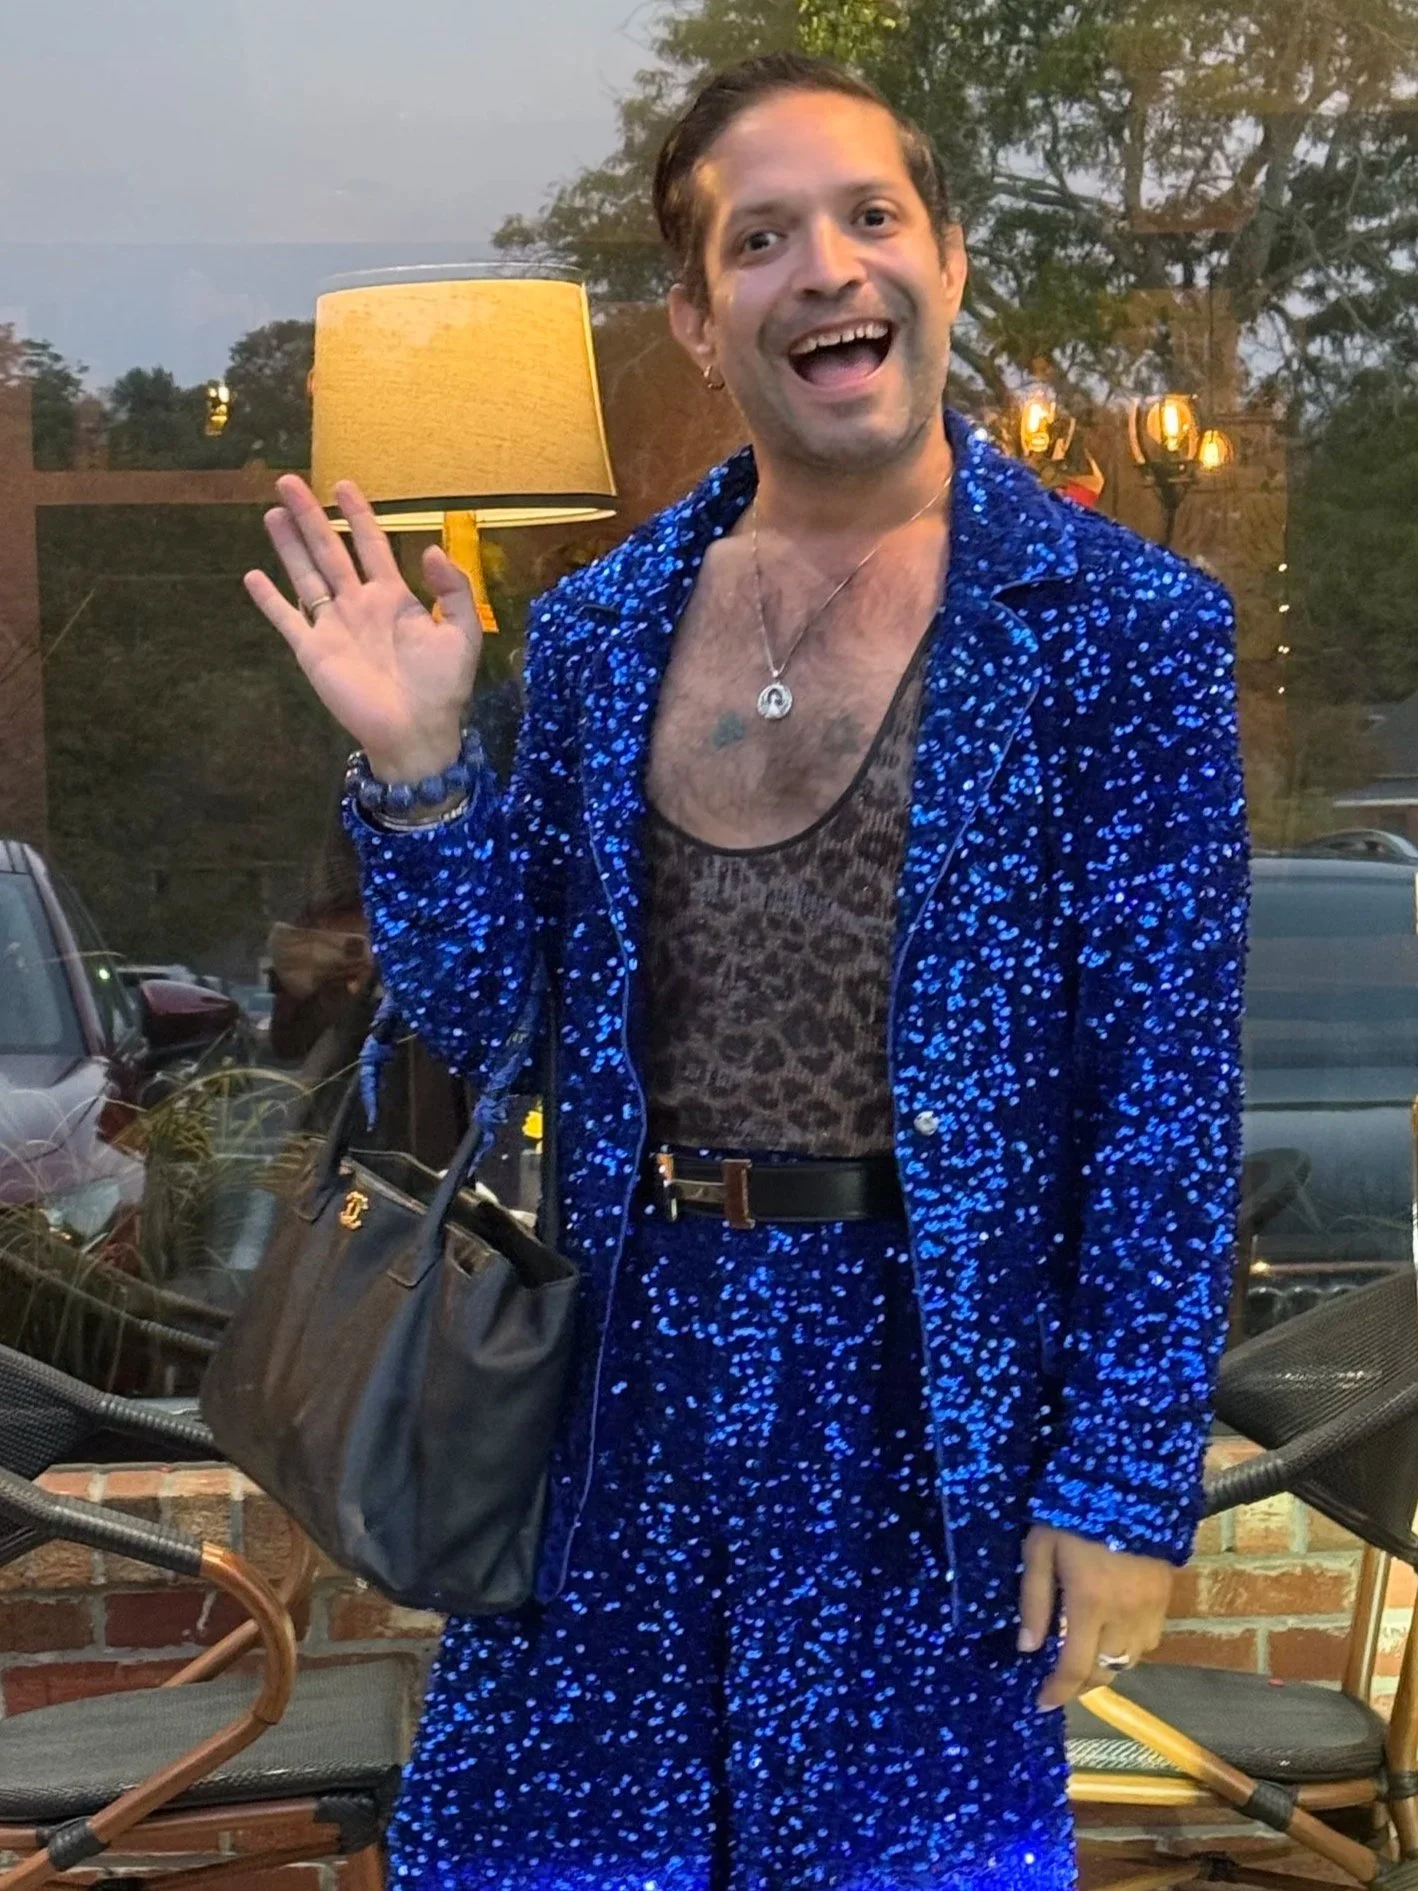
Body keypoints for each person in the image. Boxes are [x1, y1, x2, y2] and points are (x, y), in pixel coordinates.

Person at [243, 52, 1248, 1891]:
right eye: (762, 238)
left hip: (928, 1402)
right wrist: (421, 766)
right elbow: (493, 1020)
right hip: (620, 1369)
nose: (829, 267)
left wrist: (1116, 1478)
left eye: (870, 217)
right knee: (525, 1858)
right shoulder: (605, 628)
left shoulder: (1121, 629)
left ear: (944, 259)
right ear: (701, 322)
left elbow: (1162, 1098)